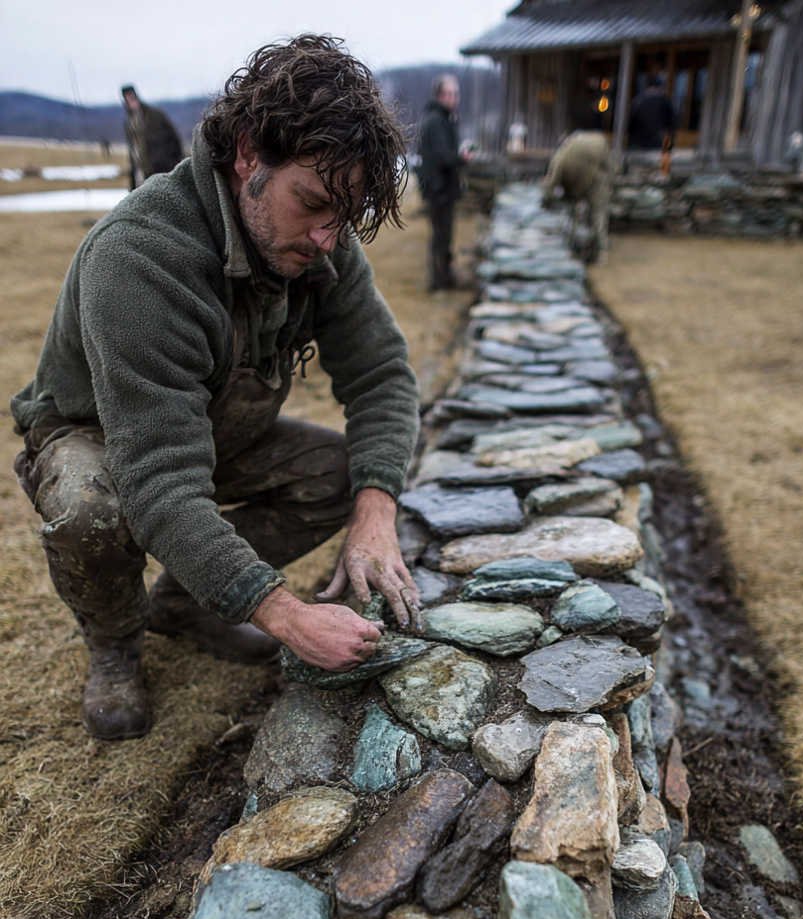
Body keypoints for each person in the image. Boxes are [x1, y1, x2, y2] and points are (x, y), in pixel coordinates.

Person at [11, 36, 421, 741]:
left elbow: (382, 373)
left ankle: (187, 604)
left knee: (350, 475)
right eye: (314, 203)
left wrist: (377, 511)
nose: (328, 237)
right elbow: (162, 482)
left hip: (217, 428)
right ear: (247, 157)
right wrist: (284, 613)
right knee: (90, 508)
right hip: (104, 437)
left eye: (344, 217)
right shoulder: (140, 259)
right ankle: (116, 642)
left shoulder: (321, 245)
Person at [418, 74, 467, 291]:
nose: (453, 98)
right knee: (440, 237)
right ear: (439, 95)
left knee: (443, 236)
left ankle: (444, 278)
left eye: (455, 94)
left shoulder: (444, 118)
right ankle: (439, 281)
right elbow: (442, 156)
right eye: (448, 94)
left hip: (442, 187)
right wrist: (462, 158)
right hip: (439, 189)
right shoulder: (436, 120)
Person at [543, 130, 612, 263]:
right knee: (598, 216)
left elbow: (550, 185)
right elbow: (608, 167)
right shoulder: (591, 143)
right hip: (594, 180)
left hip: (593, 183)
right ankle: (597, 250)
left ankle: (598, 250)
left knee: (596, 217)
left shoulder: (559, 160)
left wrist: (546, 200)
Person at [121, 83, 184, 188]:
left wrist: (175, 165)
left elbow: (174, 140)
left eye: (132, 97)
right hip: (141, 173)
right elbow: (132, 150)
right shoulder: (129, 122)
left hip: (163, 170)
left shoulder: (155, 116)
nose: (130, 101)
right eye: (127, 98)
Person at [628, 74, 676, 152]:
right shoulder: (664, 101)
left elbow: (629, 124)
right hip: (656, 145)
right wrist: (669, 147)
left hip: (636, 145)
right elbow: (671, 127)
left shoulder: (637, 101)